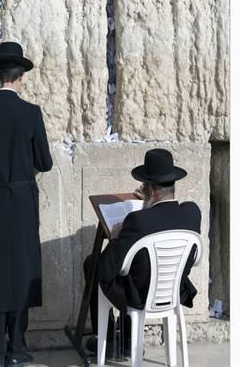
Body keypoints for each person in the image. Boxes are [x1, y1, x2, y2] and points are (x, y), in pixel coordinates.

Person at [0, 41, 53, 367]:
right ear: (21, 77)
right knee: (22, 270)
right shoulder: (30, 113)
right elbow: (44, 162)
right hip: (22, 200)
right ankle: (17, 347)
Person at [83, 148, 201, 355]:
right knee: (136, 267)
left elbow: (106, 270)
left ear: (152, 191)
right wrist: (149, 205)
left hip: (140, 297)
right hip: (174, 291)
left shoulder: (137, 221)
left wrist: (118, 236)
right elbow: (162, 220)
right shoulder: (192, 213)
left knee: (93, 264)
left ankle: (109, 340)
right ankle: (129, 341)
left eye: (144, 186)